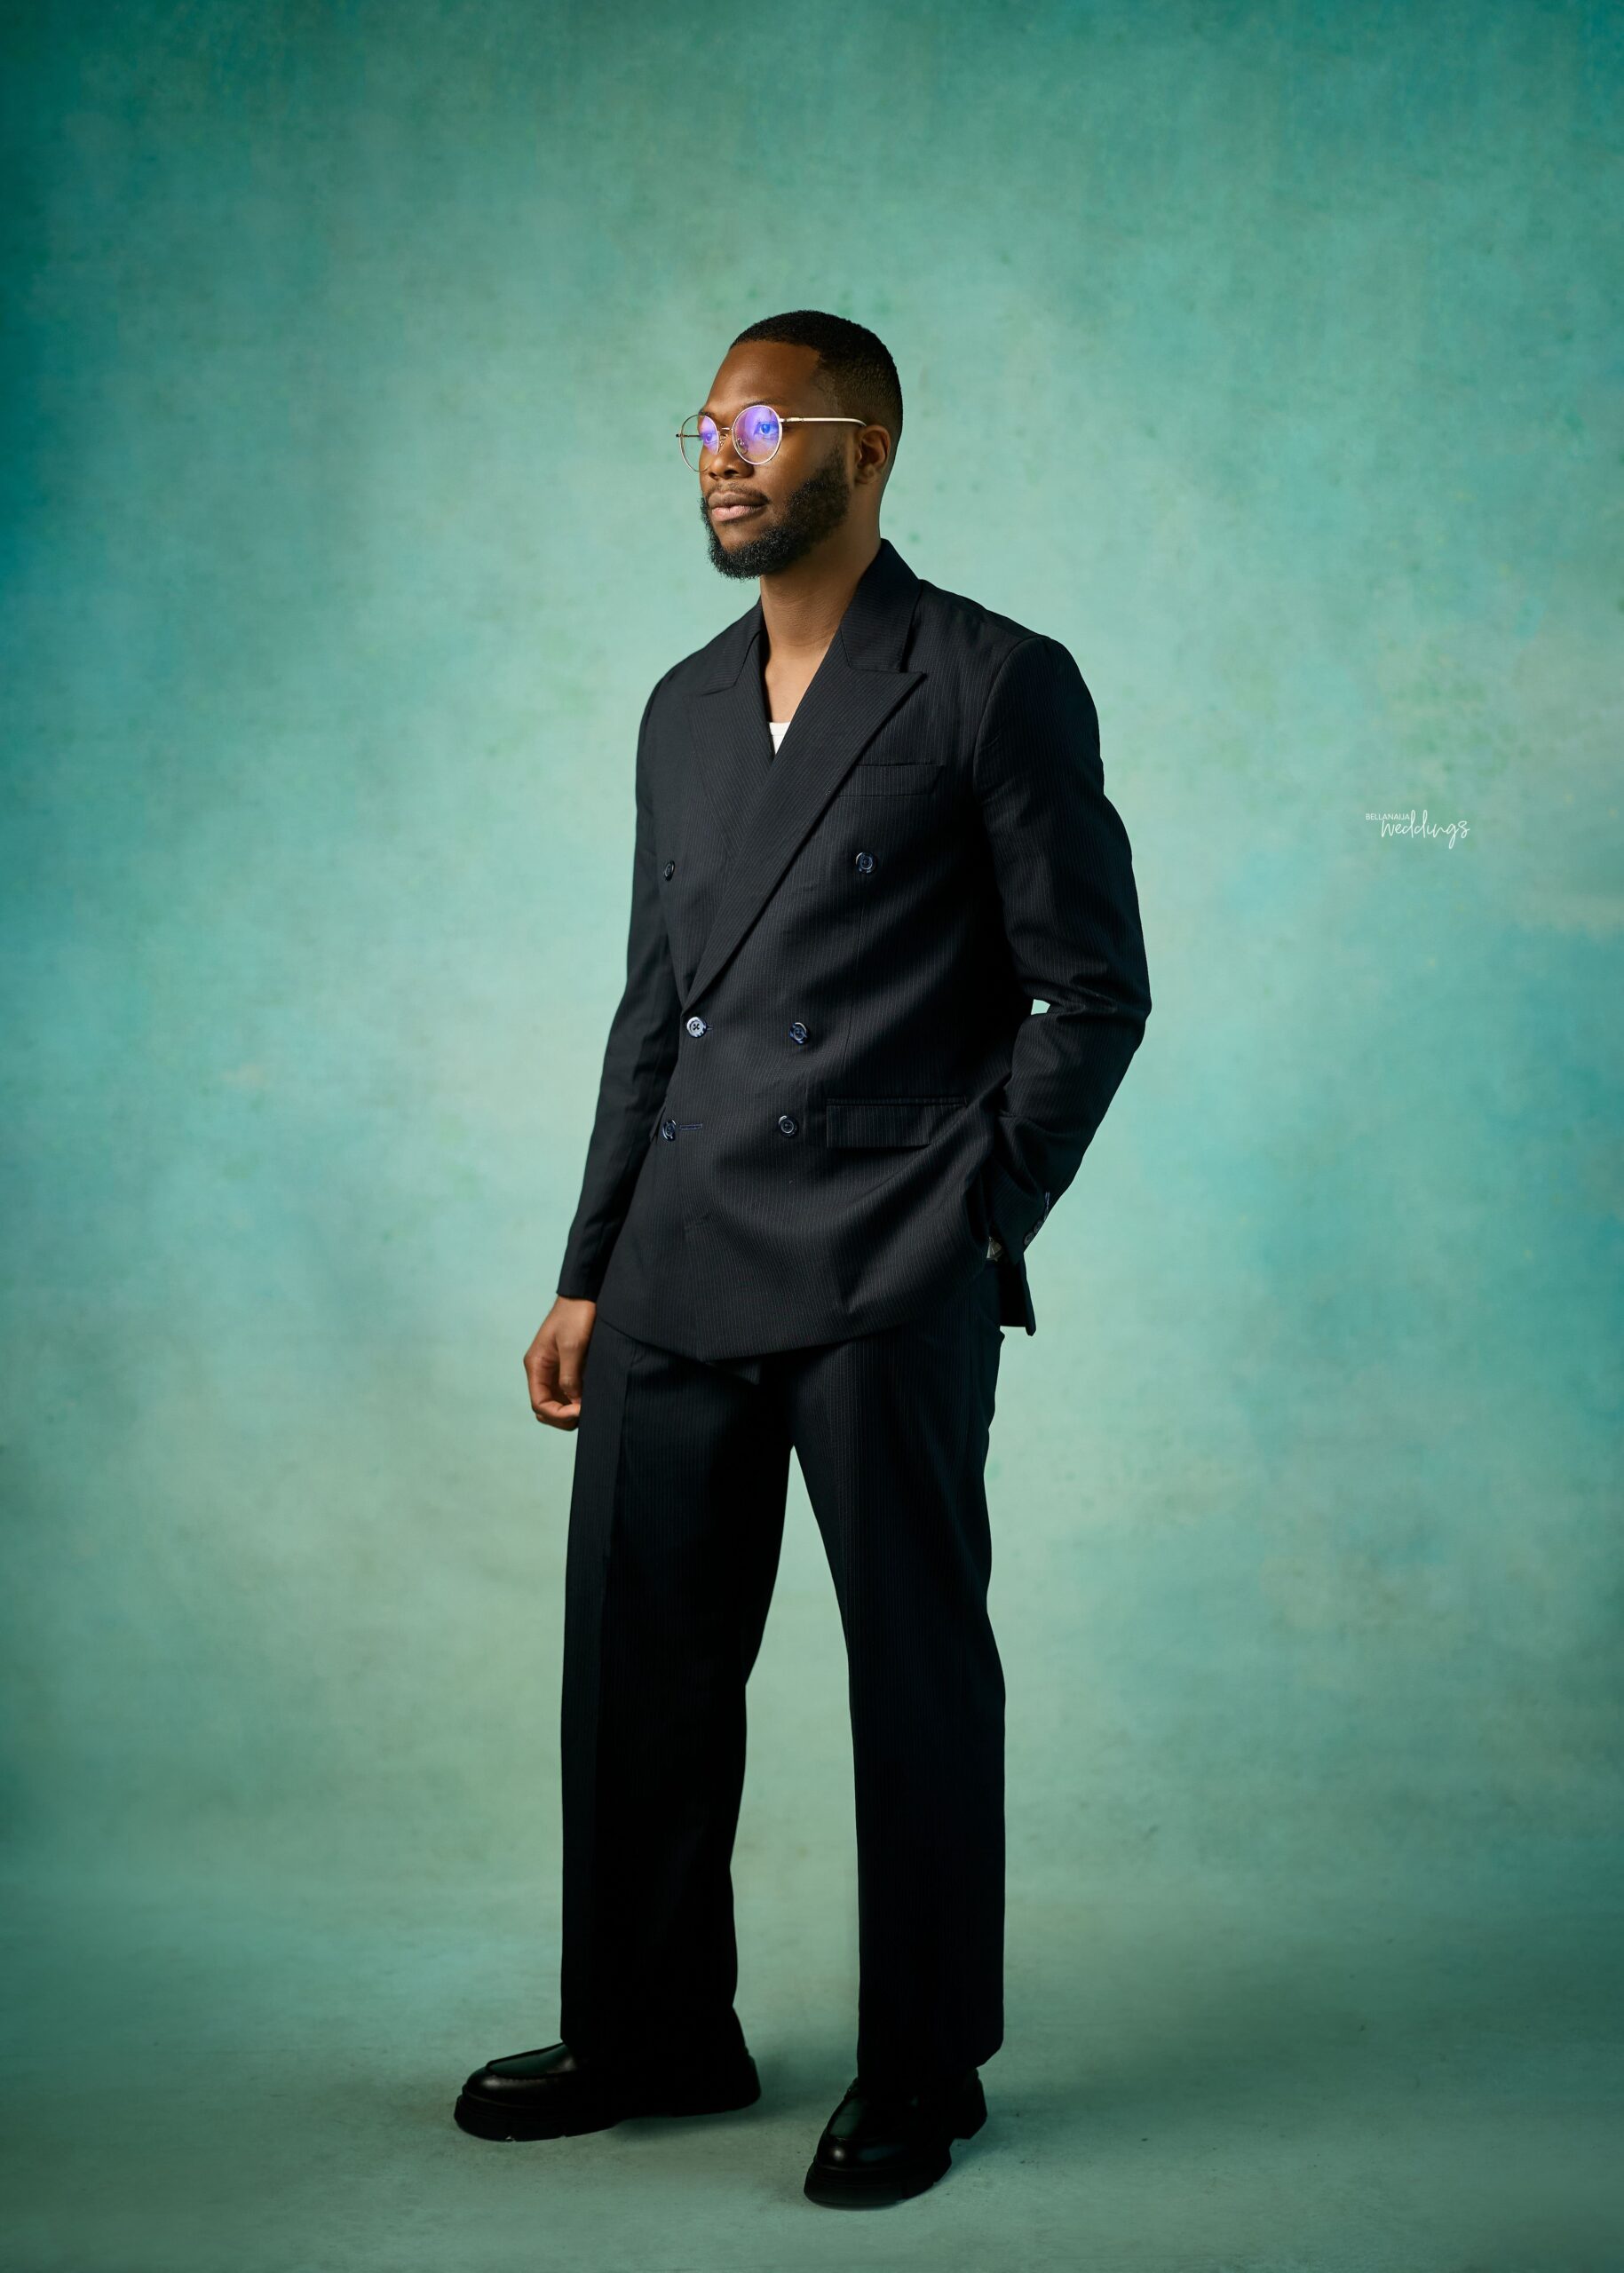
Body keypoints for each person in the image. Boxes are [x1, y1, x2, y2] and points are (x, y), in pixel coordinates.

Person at [452, 310, 1152, 2208]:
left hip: (887, 1264)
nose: (721, 456)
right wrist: (586, 1266)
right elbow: (654, 1012)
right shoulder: (681, 706)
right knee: (638, 1668)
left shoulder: (992, 680)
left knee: (913, 1669)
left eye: (762, 426)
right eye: (703, 427)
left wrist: (973, 1218)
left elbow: (1092, 990)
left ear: (867, 448)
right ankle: (652, 2027)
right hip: (675, 1260)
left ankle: (927, 2061)